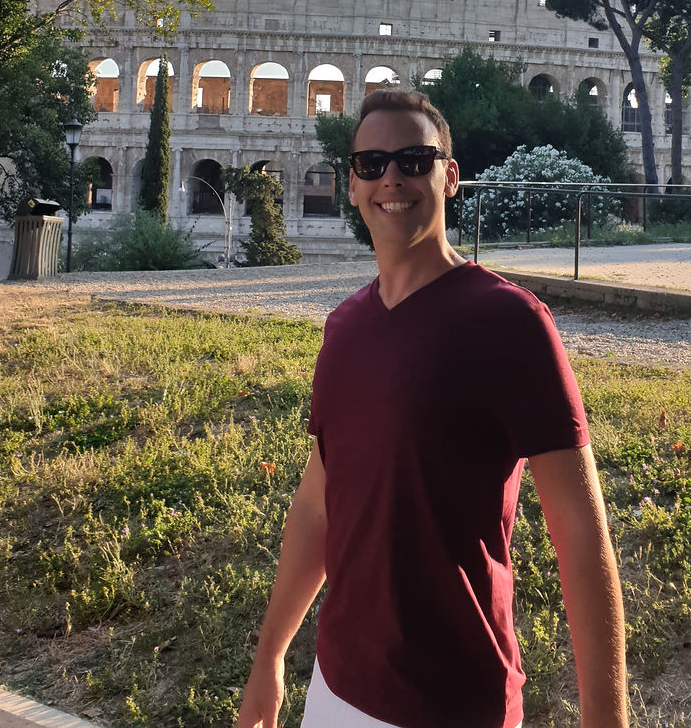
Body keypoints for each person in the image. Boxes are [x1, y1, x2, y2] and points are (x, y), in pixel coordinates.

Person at [237, 89, 627, 728]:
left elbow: (581, 535)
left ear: (449, 176)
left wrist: (606, 721)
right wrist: (270, 658)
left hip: (454, 701)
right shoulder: (345, 326)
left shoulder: (510, 322)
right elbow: (318, 503)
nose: (391, 177)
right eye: (372, 164)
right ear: (354, 186)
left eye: (414, 160)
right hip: (335, 689)